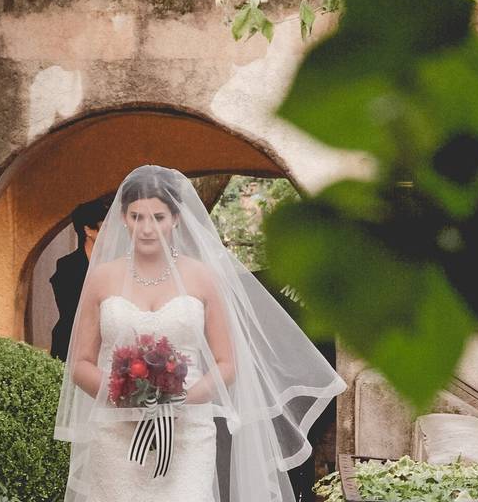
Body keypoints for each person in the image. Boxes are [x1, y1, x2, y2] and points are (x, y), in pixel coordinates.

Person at [54, 165, 345, 502]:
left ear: (175, 218)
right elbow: (81, 363)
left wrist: (180, 396)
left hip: (188, 431)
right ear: (123, 217)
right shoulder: (102, 278)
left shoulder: (203, 277)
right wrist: (123, 391)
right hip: (116, 432)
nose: (147, 229)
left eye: (158, 218)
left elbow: (226, 363)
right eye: (137, 217)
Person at [50, 199, 109, 361]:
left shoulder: (115, 264)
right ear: (88, 230)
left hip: (107, 343)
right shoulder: (66, 266)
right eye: (105, 226)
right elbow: (69, 309)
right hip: (72, 342)